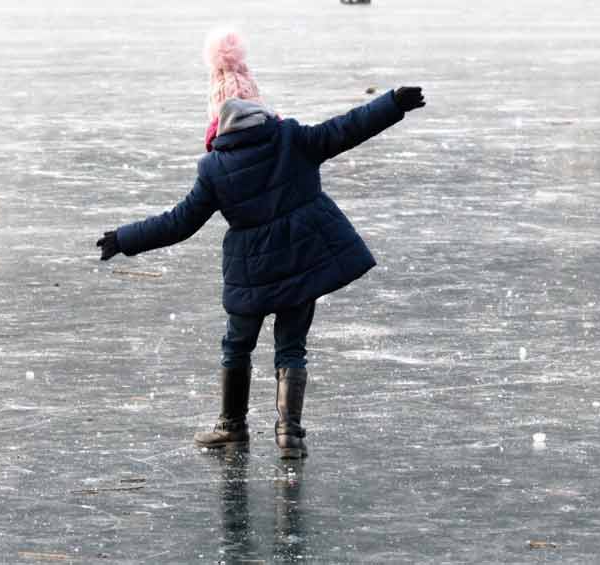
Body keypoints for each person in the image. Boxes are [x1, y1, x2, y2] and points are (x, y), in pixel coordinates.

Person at [96, 30, 425, 459]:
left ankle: (231, 427)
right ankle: (289, 435)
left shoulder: (214, 168)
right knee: (292, 347)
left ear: (216, 117)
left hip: (250, 274)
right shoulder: (292, 139)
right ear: (259, 105)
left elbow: (179, 223)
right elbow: (346, 129)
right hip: (301, 264)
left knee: (237, 344)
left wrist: (124, 238)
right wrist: (392, 103)